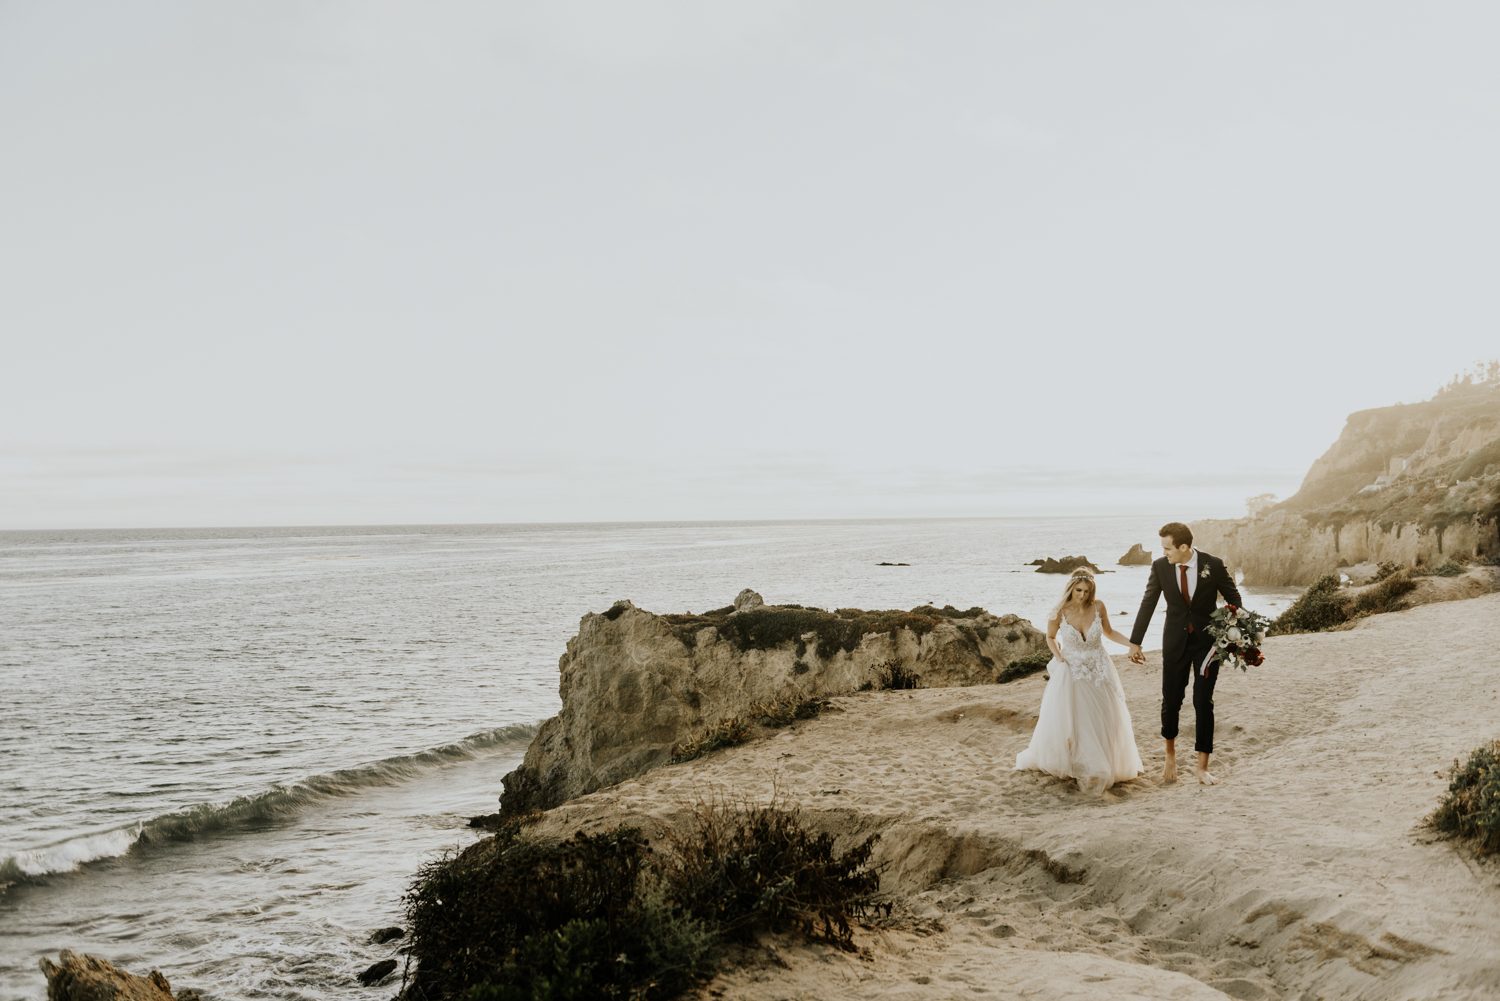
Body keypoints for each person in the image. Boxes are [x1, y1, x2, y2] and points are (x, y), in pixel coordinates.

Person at [1127, 521, 1244, 785]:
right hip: (1175, 642)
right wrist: (1136, 641)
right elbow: (1148, 603)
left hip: (1208, 645)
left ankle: (1202, 767)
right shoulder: (1160, 567)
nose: (1164, 553)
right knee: (1171, 700)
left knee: (1203, 701)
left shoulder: (1212, 564)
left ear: (1183, 547)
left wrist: (1229, 634)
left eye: (1168, 548)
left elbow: (1234, 600)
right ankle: (1170, 752)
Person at [1014, 568, 1143, 795]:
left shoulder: (1098, 606)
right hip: (1072, 668)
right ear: (1071, 588)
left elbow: (1110, 633)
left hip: (1099, 667)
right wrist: (1059, 657)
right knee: (1078, 718)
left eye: (1087, 590)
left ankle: (1105, 761)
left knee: (1105, 715)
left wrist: (1133, 644)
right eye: (1078, 590)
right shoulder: (1059, 612)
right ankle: (1085, 765)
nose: (1082, 595)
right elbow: (1050, 637)